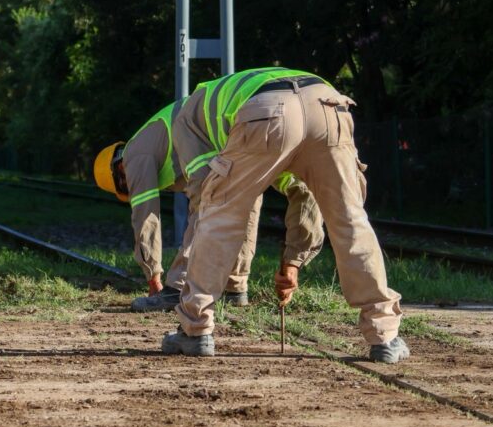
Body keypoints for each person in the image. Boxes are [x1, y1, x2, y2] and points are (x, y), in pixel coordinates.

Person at [159, 68, 408, 363]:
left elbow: (207, 196)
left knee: (219, 218)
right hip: (328, 106)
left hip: (266, 114)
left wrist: (286, 257)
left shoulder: (187, 117)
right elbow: (305, 193)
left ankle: (195, 328)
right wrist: (293, 262)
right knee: (350, 220)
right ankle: (385, 336)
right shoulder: (235, 90)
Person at [94, 101, 325, 311]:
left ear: (119, 172)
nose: (130, 187)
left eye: (125, 187)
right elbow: (304, 190)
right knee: (248, 194)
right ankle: (235, 288)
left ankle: (176, 289)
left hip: (227, 133)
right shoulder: (153, 145)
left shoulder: (134, 154)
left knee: (207, 201)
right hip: (256, 127)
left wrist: (153, 278)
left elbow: (145, 217)